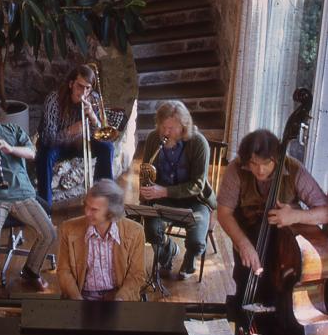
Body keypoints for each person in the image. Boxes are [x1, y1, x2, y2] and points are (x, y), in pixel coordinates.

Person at [217, 128, 328, 307]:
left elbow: (325, 212)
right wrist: (243, 244)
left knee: (282, 298)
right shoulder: (236, 168)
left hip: (284, 247)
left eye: (266, 163)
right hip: (248, 236)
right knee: (245, 285)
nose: (260, 170)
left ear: (276, 157)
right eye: (253, 163)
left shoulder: (294, 169)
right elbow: (224, 212)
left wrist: (296, 216)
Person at [0, 94, 57, 296]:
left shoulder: (12, 130)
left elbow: (32, 153)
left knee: (49, 233)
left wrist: (10, 148)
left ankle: (31, 270)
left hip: (22, 192)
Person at [139, 100, 215, 280]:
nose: (166, 132)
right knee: (150, 231)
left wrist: (164, 191)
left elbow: (197, 185)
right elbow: (146, 171)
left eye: (171, 128)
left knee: (197, 243)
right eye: (163, 127)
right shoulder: (153, 138)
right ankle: (169, 251)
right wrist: (145, 196)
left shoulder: (198, 143)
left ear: (184, 126)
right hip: (162, 199)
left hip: (195, 201)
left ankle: (190, 259)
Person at [36, 65, 115, 210]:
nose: (83, 92)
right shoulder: (54, 100)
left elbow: (102, 134)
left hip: (80, 143)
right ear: (71, 84)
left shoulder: (93, 99)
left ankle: (103, 198)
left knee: (107, 147)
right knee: (44, 155)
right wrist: (71, 131)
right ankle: (45, 209)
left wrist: (92, 115)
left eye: (88, 88)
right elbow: (47, 138)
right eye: (80, 86)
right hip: (58, 145)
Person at [57, 180, 146, 301]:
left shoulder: (135, 232)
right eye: (86, 206)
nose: (87, 212)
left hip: (118, 296)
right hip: (82, 296)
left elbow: (137, 275)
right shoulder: (68, 229)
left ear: (111, 212)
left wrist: (119, 300)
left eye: (94, 209)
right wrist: (78, 301)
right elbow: (64, 271)